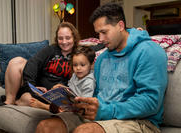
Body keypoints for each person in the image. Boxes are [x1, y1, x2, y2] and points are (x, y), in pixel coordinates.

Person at [35, 2, 168, 133]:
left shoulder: (149, 51)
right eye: (98, 33)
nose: (100, 38)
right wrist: (68, 100)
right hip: (102, 116)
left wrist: (105, 111)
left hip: (139, 121)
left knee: (86, 131)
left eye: (104, 32)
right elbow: (97, 96)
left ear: (120, 26)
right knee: (46, 127)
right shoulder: (102, 59)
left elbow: (151, 102)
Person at [0, 22, 80, 111]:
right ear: (57, 39)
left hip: (57, 94)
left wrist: (61, 87)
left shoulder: (78, 55)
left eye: (68, 38)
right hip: (39, 91)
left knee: (28, 100)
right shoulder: (50, 50)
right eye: (60, 38)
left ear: (74, 38)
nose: (64, 42)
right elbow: (33, 63)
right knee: (16, 61)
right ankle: (9, 101)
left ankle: (45, 106)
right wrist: (33, 87)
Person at [30, 45, 96, 111]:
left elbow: (84, 105)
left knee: (60, 108)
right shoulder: (75, 75)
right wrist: (62, 88)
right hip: (70, 102)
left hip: (78, 109)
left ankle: (45, 106)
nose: (78, 68)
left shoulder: (89, 82)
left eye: (82, 65)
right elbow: (71, 90)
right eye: (75, 65)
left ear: (91, 64)